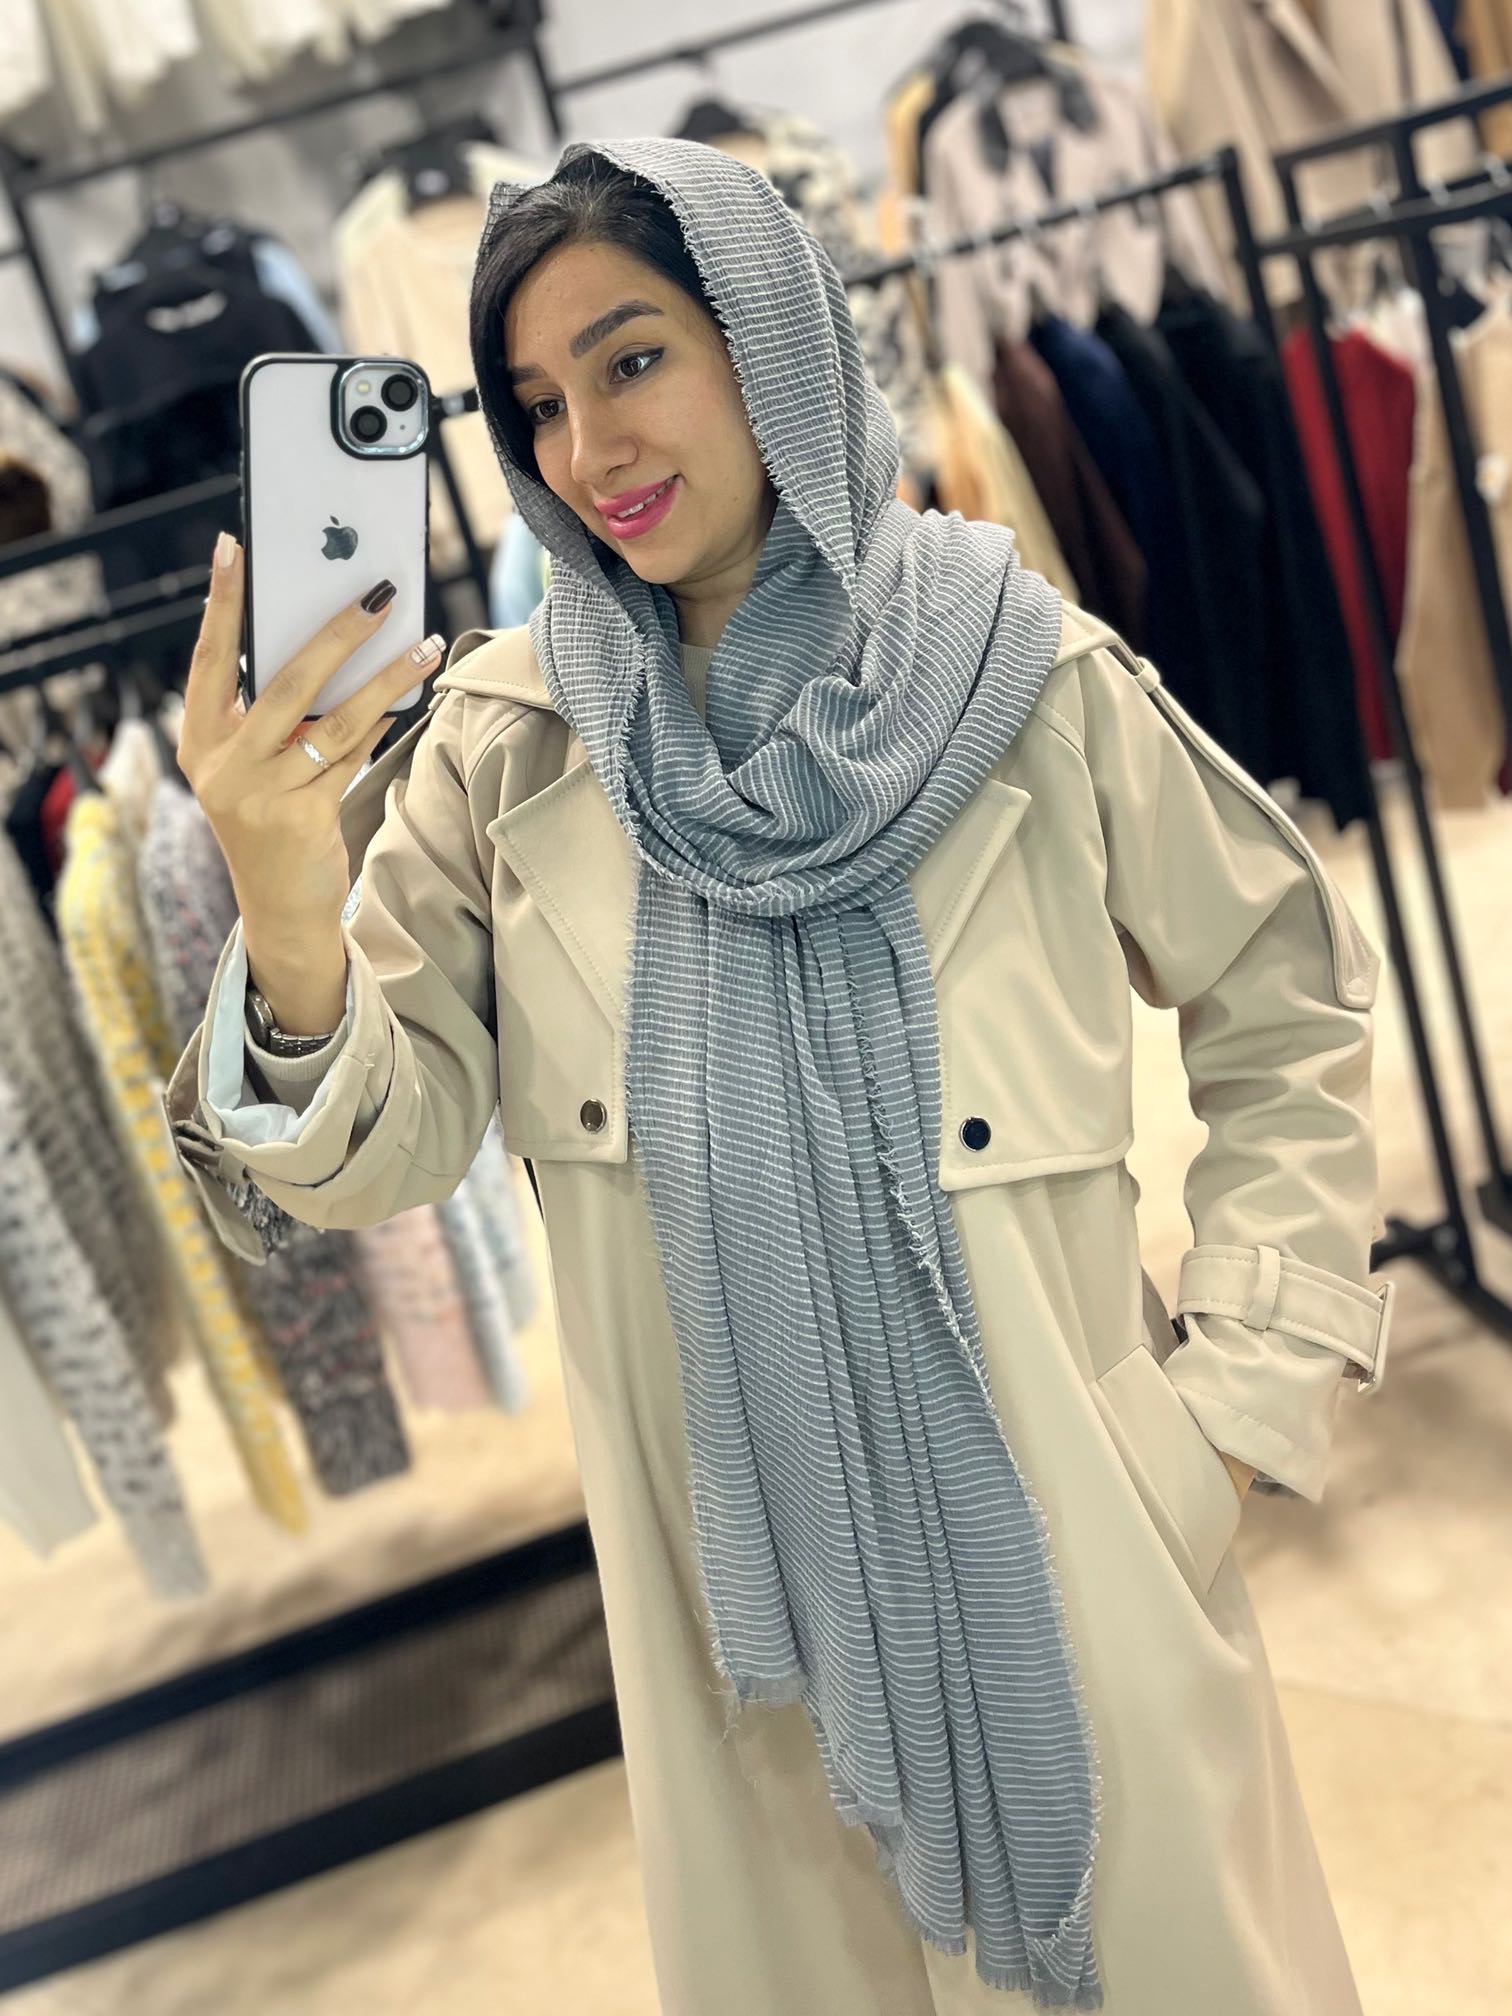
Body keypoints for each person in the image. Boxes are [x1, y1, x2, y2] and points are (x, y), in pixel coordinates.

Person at [167, 139, 1393, 2014]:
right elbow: (373, 1155)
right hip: (736, 1634)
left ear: (771, 335)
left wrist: (1224, 1414)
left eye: (633, 359)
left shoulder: (1024, 676)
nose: (590, 448)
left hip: (1077, 1564)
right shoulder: (505, 751)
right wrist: (279, 893)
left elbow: (1285, 1007)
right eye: (537, 404)